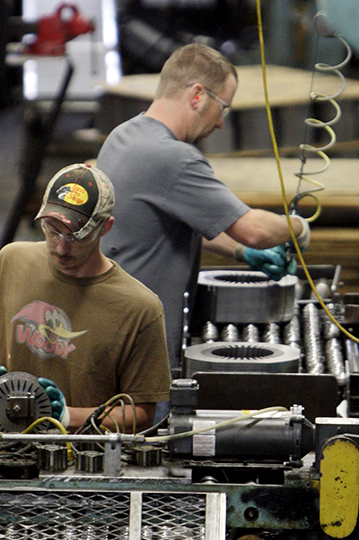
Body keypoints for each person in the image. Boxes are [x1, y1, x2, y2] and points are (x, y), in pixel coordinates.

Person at [96, 43, 311, 378]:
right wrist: (299, 226)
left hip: (111, 334)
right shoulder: (174, 158)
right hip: (143, 351)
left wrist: (241, 252)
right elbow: (254, 229)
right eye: (223, 107)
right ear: (197, 95)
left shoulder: (123, 136)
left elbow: (170, 224)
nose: (222, 122)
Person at [0, 163, 172, 432]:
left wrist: (68, 417)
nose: (61, 247)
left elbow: (141, 414)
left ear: (105, 228)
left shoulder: (140, 309)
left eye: (76, 236)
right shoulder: (11, 262)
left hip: (81, 458)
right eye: (52, 230)